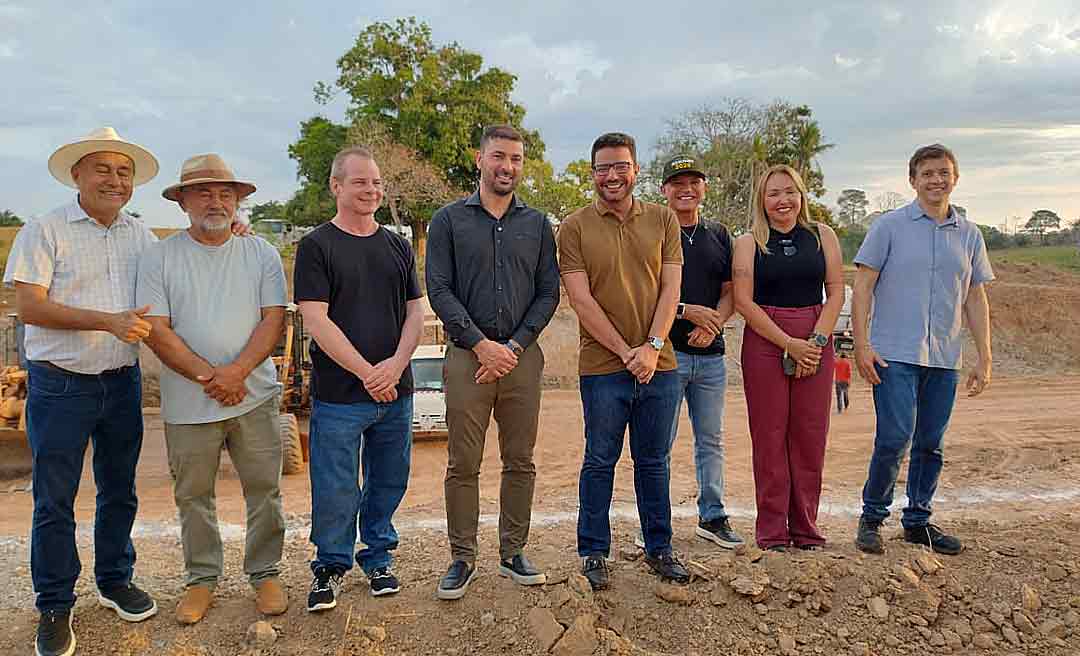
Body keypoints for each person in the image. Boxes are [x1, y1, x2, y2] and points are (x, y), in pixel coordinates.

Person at [3, 127, 162, 656]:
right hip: (60, 384)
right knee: (55, 499)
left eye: (124, 173)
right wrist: (106, 322)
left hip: (121, 383)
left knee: (119, 491)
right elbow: (30, 308)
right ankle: (54, 603)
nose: (114, 181)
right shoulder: (44, 231)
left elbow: (170, 284)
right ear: (77, 175)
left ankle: (115, 578)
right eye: (103, 169)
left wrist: (236, 231)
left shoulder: (141, 236)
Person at [136, 154, 288, 624]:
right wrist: (211, 377)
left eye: (225, 193)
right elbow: (157, 330)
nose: (215, 201)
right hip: (188, 401)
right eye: (202, 191)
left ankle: (264, 572)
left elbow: (274, 320)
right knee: (193, 496)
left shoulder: (260, 253)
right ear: (182, 201)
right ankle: (201, 579)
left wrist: (238, 371)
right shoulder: (158, 257)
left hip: (254, 395)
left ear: (238, 200)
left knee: (264, 489)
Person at [426, 125, 560, 600]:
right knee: (463, 462)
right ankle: (462, 556)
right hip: (469, 359)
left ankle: (512, 552)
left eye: (517, 159)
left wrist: (515, 347)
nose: (507, 167)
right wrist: (482, 345)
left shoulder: (538, 225)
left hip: (522, 360)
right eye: (499, 156)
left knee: (519, 460)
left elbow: (549, 292)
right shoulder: (447, 221)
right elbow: (438, 288)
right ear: (479, 159)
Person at [294, 147, 425, 612]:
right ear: (336, 186)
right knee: (335, 486)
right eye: (360, 183)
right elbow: (316, 318)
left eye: (376, 183)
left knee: (389, 479)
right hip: (341, 394)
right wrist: (367, 372)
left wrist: (394, 365)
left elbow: (415, 312)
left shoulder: (398, 246)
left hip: (395, 391)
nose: (371, 191)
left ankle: (378, 557)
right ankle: (329, 565)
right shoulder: (317, 246)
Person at [559, 132, 688, 590]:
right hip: (602, 368)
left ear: (636, 170)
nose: (611, 175)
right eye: (602, 168)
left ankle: (660, 547)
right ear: (592, 173)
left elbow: (671, 290)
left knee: (654, 462)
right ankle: (593, 551)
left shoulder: (663, 221)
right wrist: (625, 352)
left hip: (660, 365)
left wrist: (652, 347)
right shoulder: (573, 227)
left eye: (620, 166)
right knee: (599, 460)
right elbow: (580, 298)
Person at [853, 144, 993, 556]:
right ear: (912, 180)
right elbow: (863, 286)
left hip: (944, 358)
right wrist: (861, 344)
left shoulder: (969, 234)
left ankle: (918, 521)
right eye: (927, 173)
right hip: (893, 354)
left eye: (943, 172)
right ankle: (872, 518)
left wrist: (983, 357)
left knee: (931, 442)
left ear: (956, 177)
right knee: (894, 438)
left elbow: (975, 298)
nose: (936, 179)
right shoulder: (889, 227)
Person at [732, 164, 844, 552]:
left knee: (810, 435)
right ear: (762, 200)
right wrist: (788, 343)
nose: (783, 200)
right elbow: (743, 302)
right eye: (773, 193)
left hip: (816, 333)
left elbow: (836, 292)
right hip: (767, 337)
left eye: (789, 192)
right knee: (770, 436)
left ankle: (806, 527)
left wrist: (814, 341)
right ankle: (772, 530)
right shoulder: (748, 242)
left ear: (801, 195)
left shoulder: (823, 235)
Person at [656, 154, 743, 549]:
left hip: (711, 357)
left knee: (711, 439)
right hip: (667, 355)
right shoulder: (654, 231)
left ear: (704, 187)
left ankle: (713, 516)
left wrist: (713, 325)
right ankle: (655, 522)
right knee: (660, 441)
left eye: (693, 181)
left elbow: (730, 294)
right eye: (677, 182)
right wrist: (684, 313)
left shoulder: (719, 234)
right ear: (664, 190)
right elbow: (645, 295)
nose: (685, 189)